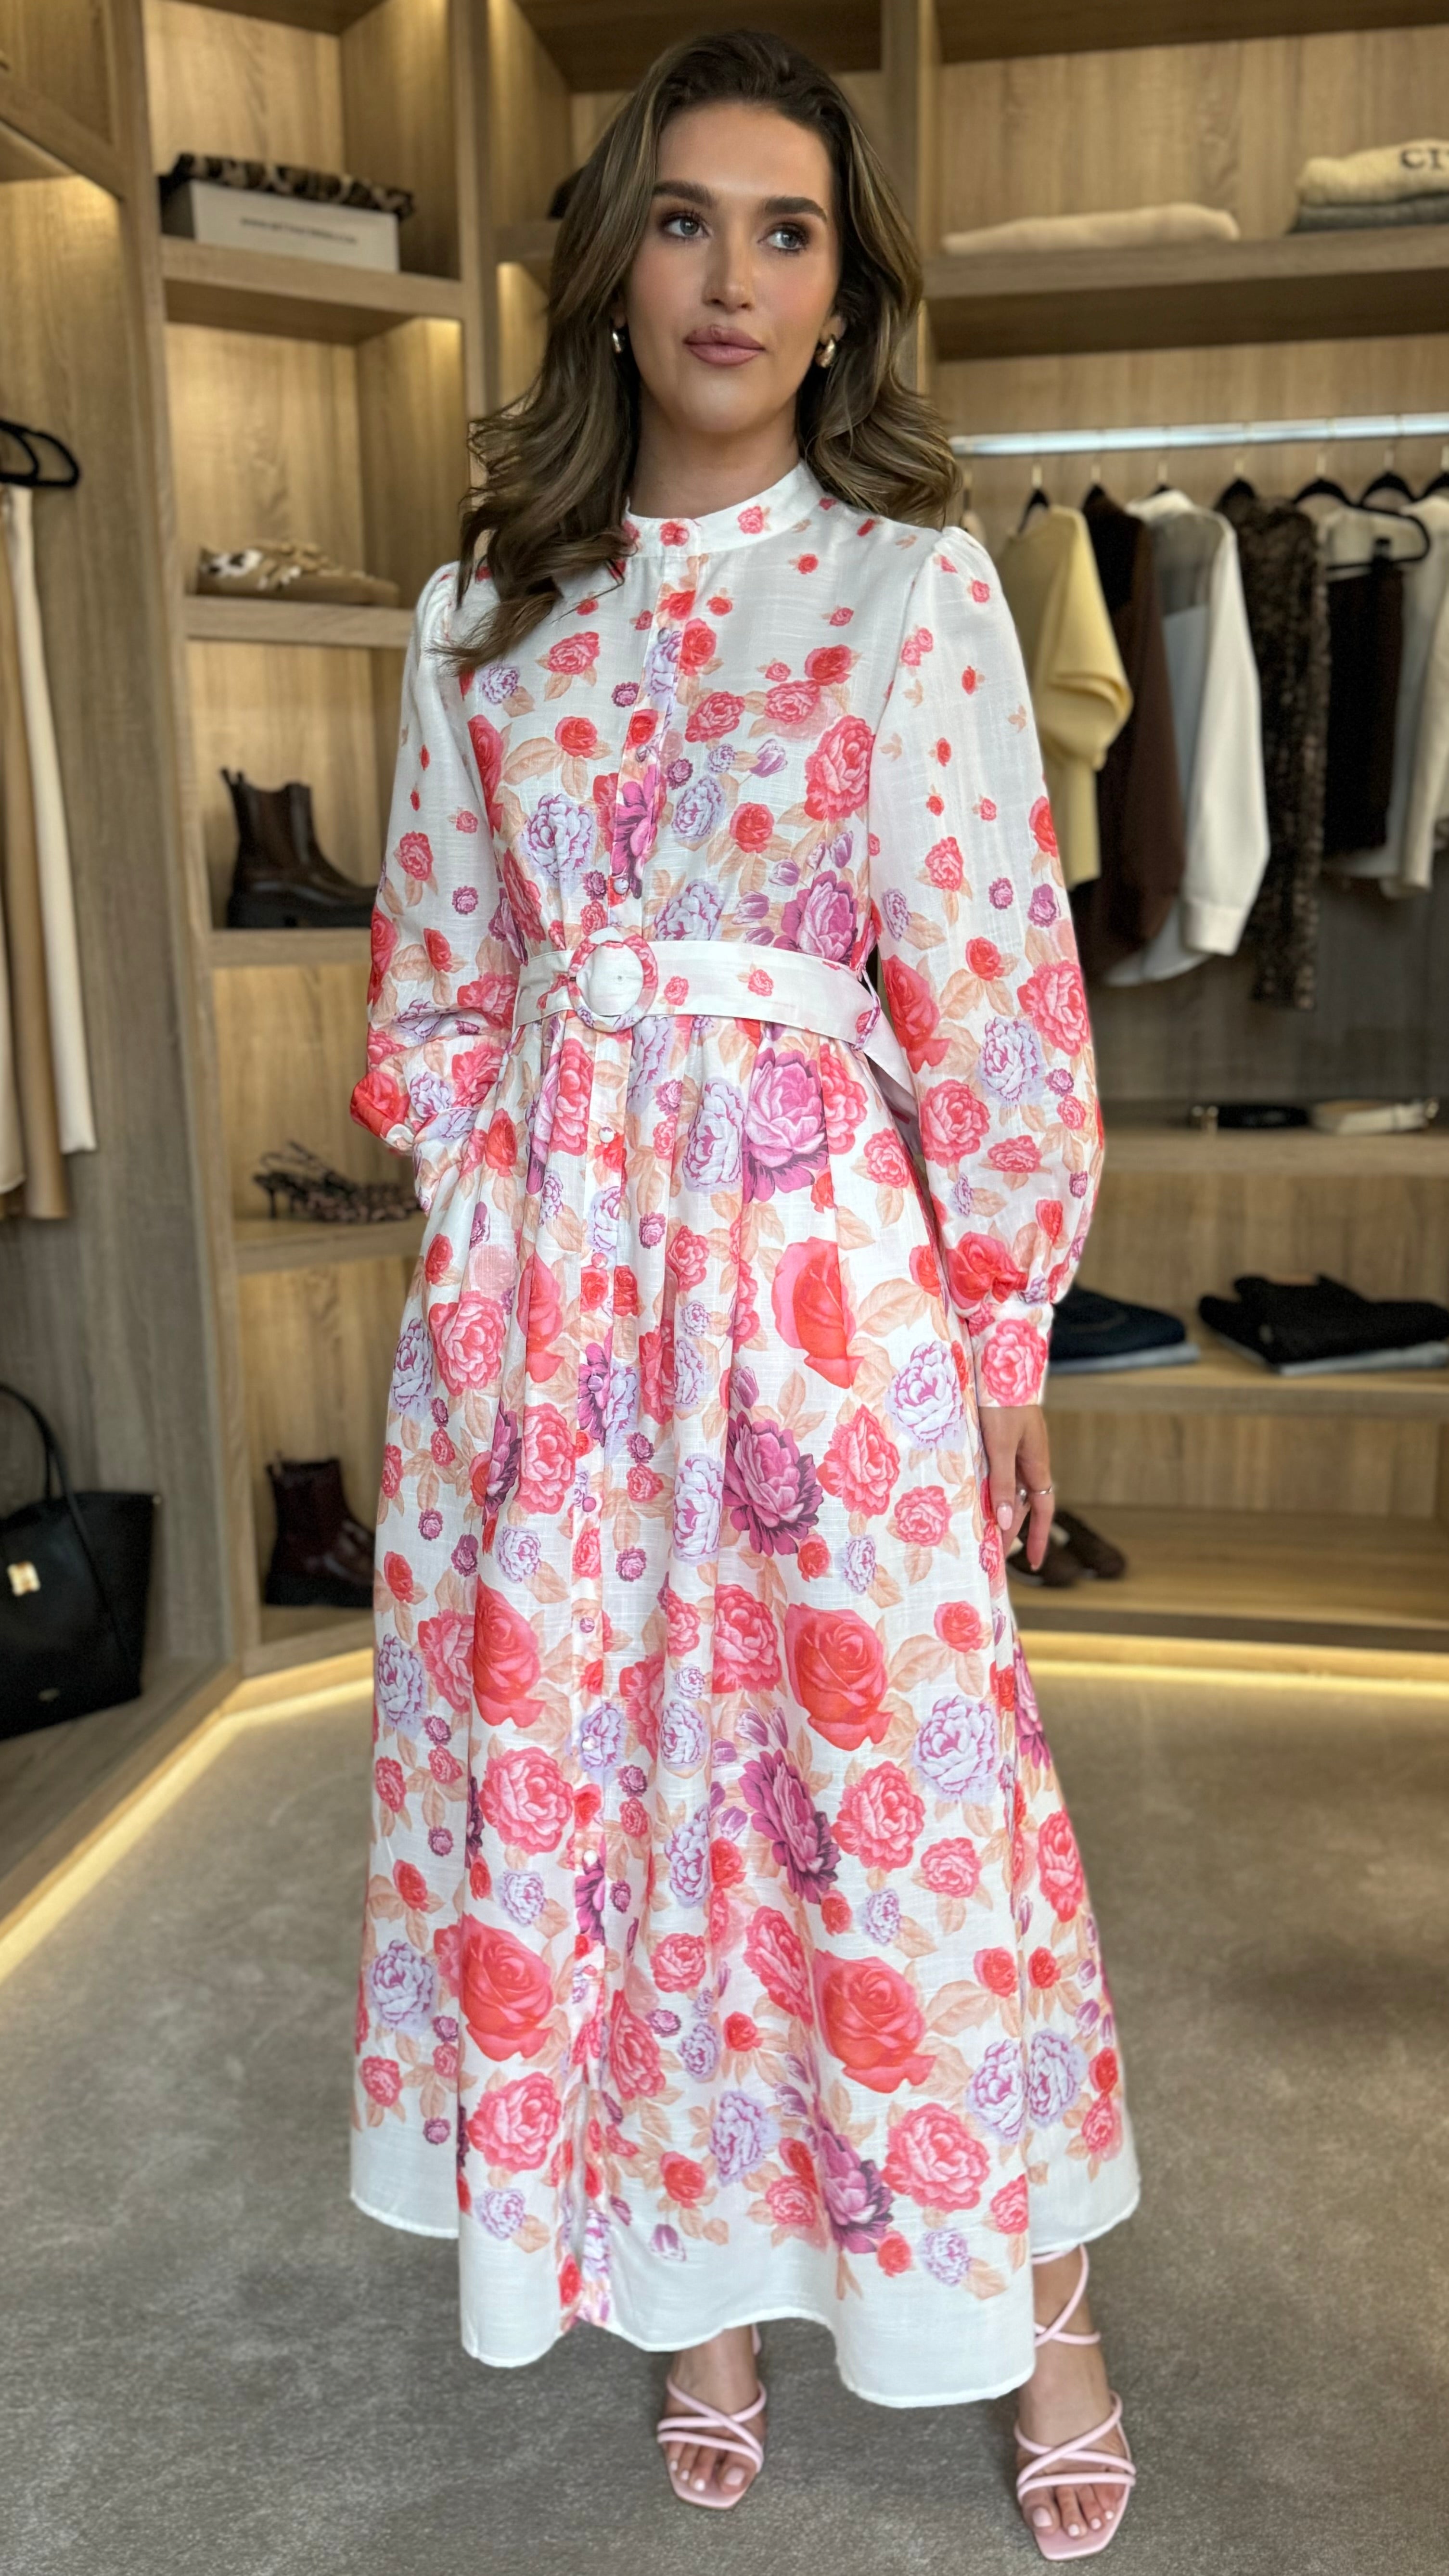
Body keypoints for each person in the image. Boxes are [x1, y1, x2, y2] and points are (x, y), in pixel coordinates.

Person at [349, 29, 1140, 2558]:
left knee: (895, 1798)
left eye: (786, 230)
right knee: (605, 1792)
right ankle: (688, 2293)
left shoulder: (912, 588)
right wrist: (490, 1236)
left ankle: (1041, 2306)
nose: (731, 276)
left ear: (839, 292)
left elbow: (994, 992)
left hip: (822, 1305)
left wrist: (999, 1331)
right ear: (611, 265)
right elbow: (436, 983)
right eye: (684, 219)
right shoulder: (480, 613)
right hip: (547, 1313)